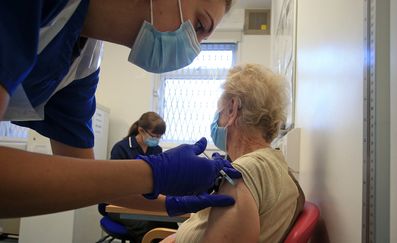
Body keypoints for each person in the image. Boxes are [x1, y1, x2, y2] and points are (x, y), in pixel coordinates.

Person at [0, 0, 240, 218]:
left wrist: (174, 203)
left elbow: (89, 181)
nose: (194, 48)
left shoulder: (83, 63)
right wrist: (152, 174)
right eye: (199, 25)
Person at [161, 64, 305, 243]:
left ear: (232, 109)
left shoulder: (240, 173)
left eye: (218, 112)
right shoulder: (277, 164)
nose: (215, 120)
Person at [107, 112, 178, 242]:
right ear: (141, 130)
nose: (156, 140)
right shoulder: (121, 148)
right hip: (119, 203)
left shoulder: (156, 150)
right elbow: (114, 184)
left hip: (146, 201)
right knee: (145, 227)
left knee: (171, 226)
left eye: (159, 137)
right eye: (154, 136)